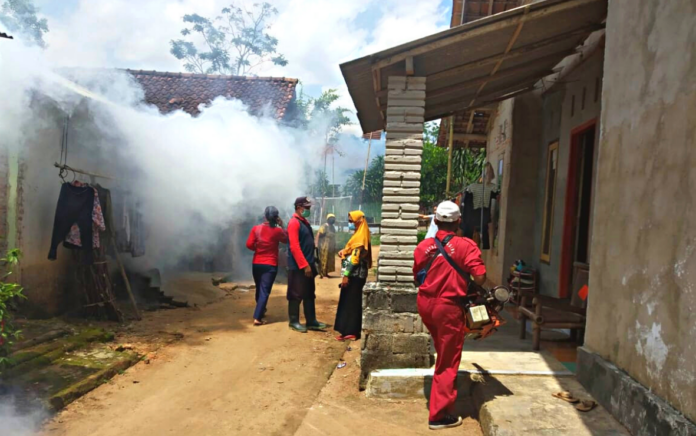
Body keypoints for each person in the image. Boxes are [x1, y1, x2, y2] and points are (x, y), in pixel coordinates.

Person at [413, 200, 487, 430]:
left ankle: (439, 399)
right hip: (449, 307)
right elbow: (481, 277)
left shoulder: (423, 246)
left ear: (435, 221)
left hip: (425, 304)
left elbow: (417, 275)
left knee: (442, 350)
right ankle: (439, 415)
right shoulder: (467, 246)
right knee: (448, 360)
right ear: (458, 222)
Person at [286, 196, 328, 333]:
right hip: (298, 266)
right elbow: (294, 247)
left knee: (309, 293)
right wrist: (304, 265)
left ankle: (311, 321)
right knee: (295, 294)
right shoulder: (294, 223)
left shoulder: (304, 222)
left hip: (308, 264)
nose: (309, 210)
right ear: (299, 207)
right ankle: (293, 321)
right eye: (307, 208)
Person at [245, 206, 288, 326]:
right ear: (276, 217)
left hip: (257, 263)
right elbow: (286, 239)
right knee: (265, 290)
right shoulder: (277, 231)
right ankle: (257, 318)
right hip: (270, 264)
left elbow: (249, 244)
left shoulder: (256, 229)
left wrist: (257, 249)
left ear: (264, 216)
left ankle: (261, 310)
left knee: (259, 288)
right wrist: (282, 226)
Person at [334, 210, 372, 341]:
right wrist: (344, 251)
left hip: (355, 275)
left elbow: (355, 259)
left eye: (352, 221)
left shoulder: (360, 237)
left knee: (352, 301)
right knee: (348, 300)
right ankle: (347, 330)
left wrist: (346, 275)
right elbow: (352, 251)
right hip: (356, 274)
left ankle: (351, 331)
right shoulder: (359, 233)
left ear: (359, 221)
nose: (350, 224)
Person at [316, 214, 337, 278]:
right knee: (323, 259)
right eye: (331, 218)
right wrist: (316, 244)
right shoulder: (324, 226)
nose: (332, 219)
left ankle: (326, 272)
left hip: (330, 246)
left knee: (329, 259)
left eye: (333, 218)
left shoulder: (332, 227)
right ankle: (322, 273)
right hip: (324, 245)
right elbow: (318, 234)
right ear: (328, 219)